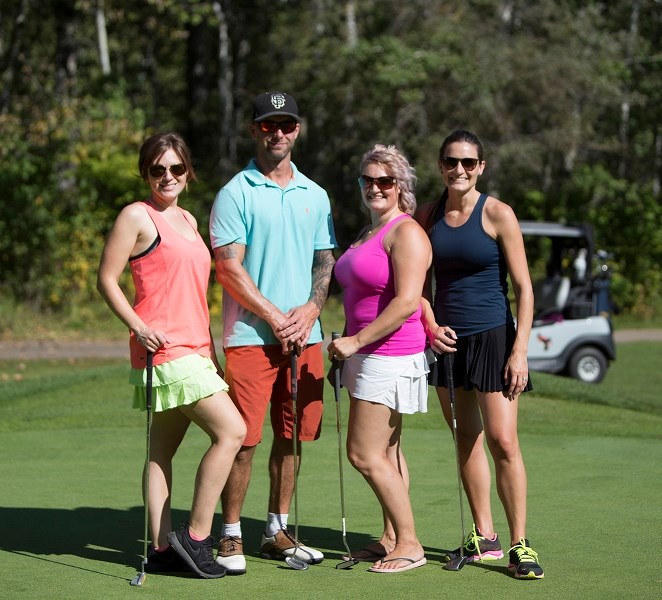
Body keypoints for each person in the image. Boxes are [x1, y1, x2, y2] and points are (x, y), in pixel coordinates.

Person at [97, 132, 246, 579]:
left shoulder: (189, 220)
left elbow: (194, 296)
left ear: (188, 172)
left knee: (162, 451)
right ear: (146, 172)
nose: (168, 176)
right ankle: (196, 538)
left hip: (195, 350)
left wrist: (211, 352)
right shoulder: (135, 216)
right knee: (232, 431)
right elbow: (107, 279)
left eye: (176, 169)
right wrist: (139, 327)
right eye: (158, 169)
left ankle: (163, 548)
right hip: (164, 351)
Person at [209, 91, 336, 573]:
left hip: (305, 335)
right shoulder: (235, 192)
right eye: (267, 125)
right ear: (254, 130)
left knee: (293, 436)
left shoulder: (316, 194)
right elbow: (229, 270)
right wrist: (276, 317)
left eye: (285, 125)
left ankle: (276, 530)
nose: (277, 134)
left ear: (297, 130)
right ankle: (230, 534)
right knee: (242, 438)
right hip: (250, 337)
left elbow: (324, 260)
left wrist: (309, 309)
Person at [415, 129, 544, 579]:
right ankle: (484, 536)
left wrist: (520, 351)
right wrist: (430, 324)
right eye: (451, 162)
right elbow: (418, 286)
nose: (460, 170)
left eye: (469, 163)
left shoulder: (497, 213)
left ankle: (519, 544)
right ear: (440, 165)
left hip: (494, 338)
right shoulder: (426, 215)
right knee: (465, 437)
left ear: (481, 167)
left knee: (503, 442)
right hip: (450, 343)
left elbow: (526, 289)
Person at [327, 144, 431, 573]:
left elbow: (408, 300)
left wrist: (355, 342)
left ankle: (410, 543)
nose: (375, 187)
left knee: (363, 453)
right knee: (387, 452)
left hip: (387, 355)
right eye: (367, 180)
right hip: (367, 353)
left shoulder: (405, 233)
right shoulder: (369, 232)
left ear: (400, 186)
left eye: (384, 181)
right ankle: (390, 536)